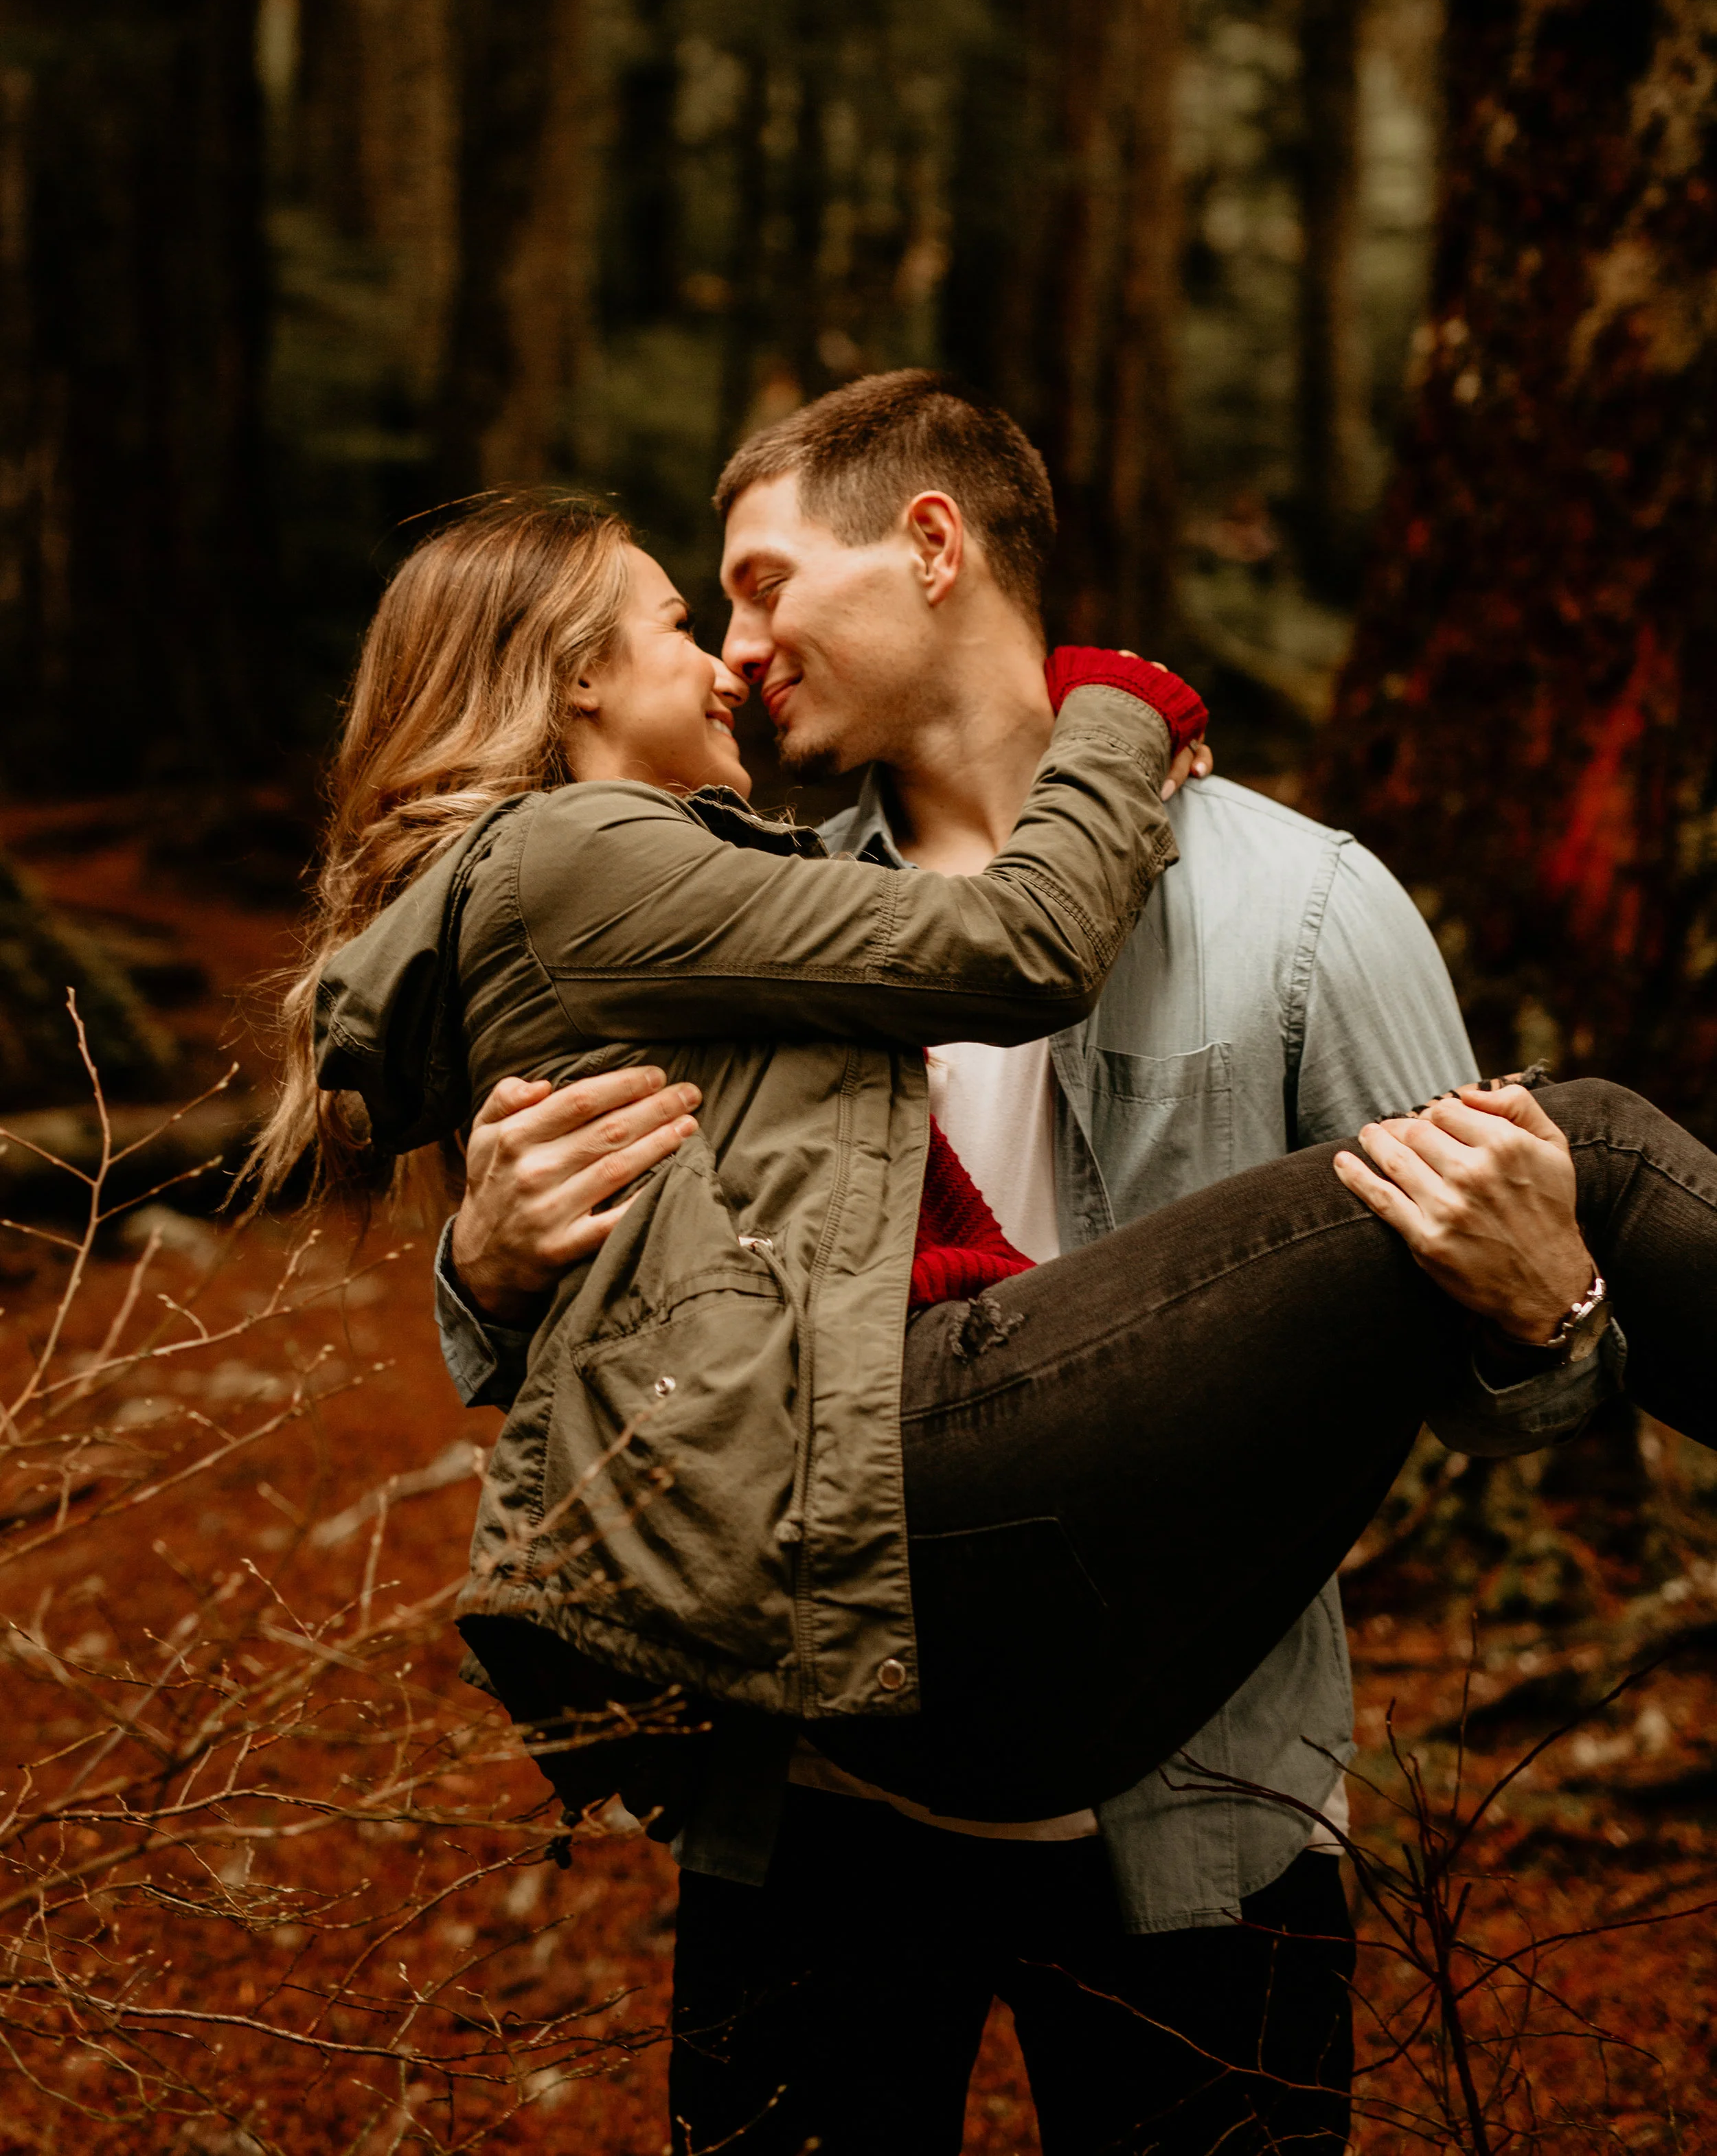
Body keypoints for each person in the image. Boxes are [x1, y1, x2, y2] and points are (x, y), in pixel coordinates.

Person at [259, 481, 1716, 2156]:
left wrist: (1554, 1319)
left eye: (758, 588)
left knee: (1555, 1166)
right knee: (1588, 1133)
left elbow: (1488, 1390)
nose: (733, 654)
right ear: (575, 678)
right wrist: (486, 1271)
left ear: (931, 550)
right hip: (827, 1784)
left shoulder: (1302, 906)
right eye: (693, 614)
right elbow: (686, 1315)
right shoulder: (725, 890)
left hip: (1189, 1790)